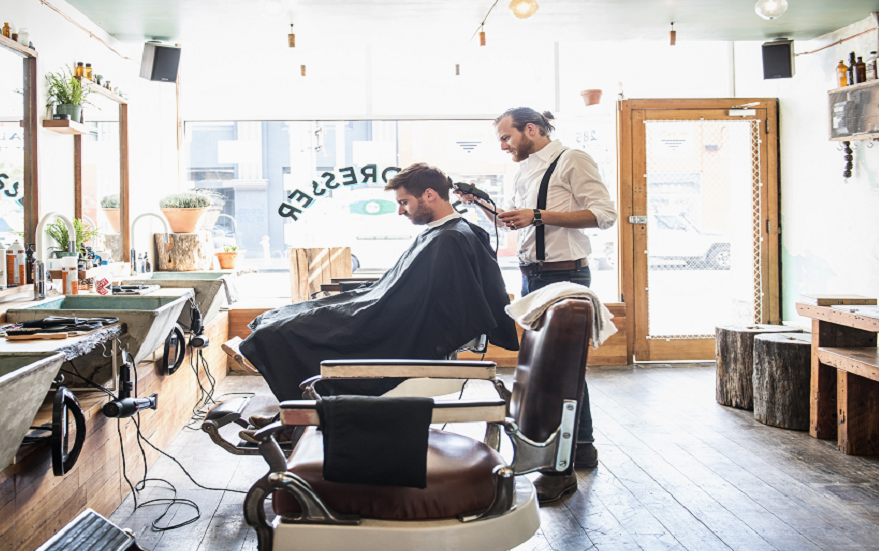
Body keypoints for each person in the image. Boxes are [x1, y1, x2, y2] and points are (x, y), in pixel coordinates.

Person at [240, 163, 519, 426]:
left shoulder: (449, 239)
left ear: (429, 195)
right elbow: (404, 291)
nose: (400, 211)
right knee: (278, 319)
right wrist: (357, 299)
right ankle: (298, 413)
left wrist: (357, 309)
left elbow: (414, 306)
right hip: (386, 315)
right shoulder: (445, 233)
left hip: (391, 331)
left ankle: (298, 419)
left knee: (276, 332)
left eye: (404, 202)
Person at [456, 107, 617, 503]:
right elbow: (515, 220)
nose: (503, 145)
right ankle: (581, 446)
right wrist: (479, 204)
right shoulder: (524, 170)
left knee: (557, 369)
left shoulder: (572, 160)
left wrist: (539, 215)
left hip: (565, 274)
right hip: (533, 275)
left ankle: (564, 460)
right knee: (562, 368)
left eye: (506, 137)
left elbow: (604, 215)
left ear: (531, 129)